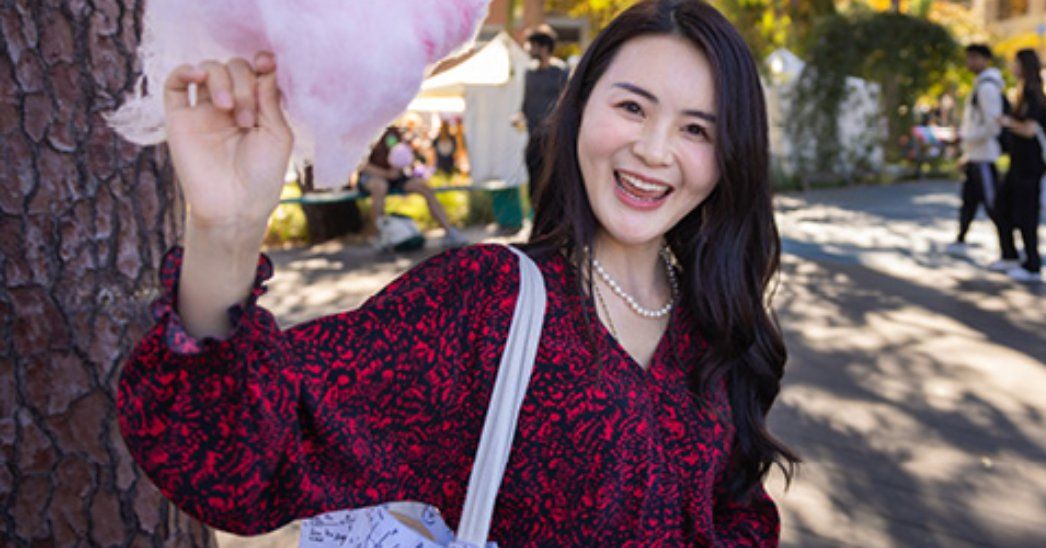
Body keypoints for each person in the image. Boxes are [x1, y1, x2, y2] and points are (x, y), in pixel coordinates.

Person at [115, 1, 796, 544]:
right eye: (632, 107)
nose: (654, 150)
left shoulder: (717, 329)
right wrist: (224, 231)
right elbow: (236, 459)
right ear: (579, 110)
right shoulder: (483, 302)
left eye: (696, 130)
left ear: (729, 157)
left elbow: (735, 515)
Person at [995, 49, 1046, 284]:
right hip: (1020, 163)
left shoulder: (1033, 94)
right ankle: (1010, 255)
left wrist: (1007, 122)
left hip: (1029, 165)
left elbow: (1030, 129)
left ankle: (1032, 264)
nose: (1012, 66)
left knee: (1027, 214)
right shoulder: (1023, 92)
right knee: (1003, 207)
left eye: (1015, 62)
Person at [359, 125, 466, 249]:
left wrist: (398, 169)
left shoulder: (394, 133)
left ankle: (449, 231)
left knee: (423, 186)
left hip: (396, 175)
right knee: (379, 187)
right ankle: (380, 236)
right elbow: (361, 165)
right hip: (374, 176)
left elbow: (402, 156)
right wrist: (385, 174)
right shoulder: (367, 131)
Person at [948, 43, 1006, 259]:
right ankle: (961, 238)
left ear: (984, 59)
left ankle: (1008, 251)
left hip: (984, 157)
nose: (969, 62)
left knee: (993, 205)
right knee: (969, 202)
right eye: (968, 57)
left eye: (973, 57)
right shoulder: (980, 85)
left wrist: (967, 138)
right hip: (975, 156)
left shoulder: (987, 88)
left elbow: (993, 125)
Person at [517, 24, 571, 229]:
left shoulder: (561, 72)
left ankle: (556, 227)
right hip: (533, 138)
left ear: (545, 47)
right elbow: (525, 103)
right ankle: (537, 225)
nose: (530, 50)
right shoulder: (529, 74)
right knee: (534, 183)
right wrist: (519, 117)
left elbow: (568, 105)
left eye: (533, 46)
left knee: (554, 184)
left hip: (554, 139)